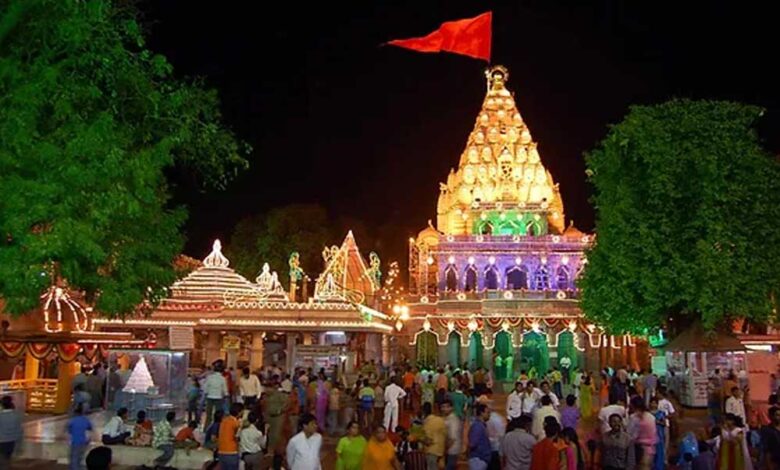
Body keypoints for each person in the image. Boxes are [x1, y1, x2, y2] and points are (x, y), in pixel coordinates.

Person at [627, 396, 657, 470]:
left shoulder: (634, 417)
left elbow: (630, 434)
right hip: (651, 448)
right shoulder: (651, 417)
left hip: (638, 448)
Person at [217, 403, 243, 470]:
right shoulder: (235, 422)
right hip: (231, 452)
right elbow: (238, 436)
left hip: (221, 451)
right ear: (239, 412)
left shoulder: (224, 421)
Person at [66, 403, 92, 470]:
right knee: (80, 457)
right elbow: (89, 431)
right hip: (83, 442)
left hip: (75, 442)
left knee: (74, 458)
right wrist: (88, 440)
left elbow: (69, 432)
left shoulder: (72, 421)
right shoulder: (86, 420)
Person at [422, 402, 446, 470]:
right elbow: (445, 435)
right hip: (441, 450)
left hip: (431, 451)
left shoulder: (428, 423)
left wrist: (418, 438)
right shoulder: (440, 420)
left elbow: (428, 441)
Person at [467, 403, 492, 470]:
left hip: (480, 459)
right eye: (487, 412)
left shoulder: (481, 425)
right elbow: (472, 443)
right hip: (478, 460)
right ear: (481, 413)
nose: (489, 415)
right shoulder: (477, 426)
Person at [204, 365, 228, 430]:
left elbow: (206, 387)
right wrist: (226, 395)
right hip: (218, 397)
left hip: (210, 397)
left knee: (208, 414)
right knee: (218, 415)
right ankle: (217, 428)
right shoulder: (222, 378)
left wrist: (206, 393)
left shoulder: (209, 377)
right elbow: (225, 389)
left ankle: (206, 428)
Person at [441, 400, 462, 470]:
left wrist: (445, 449)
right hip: (449, 450)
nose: (444, 409)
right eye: (442, 407)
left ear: (451, 408)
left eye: (446, 407)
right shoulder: (447, 418)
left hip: (452, 450)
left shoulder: (453, 419)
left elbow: (453, 437)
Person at [649, 397, 667, 470]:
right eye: (652, 403)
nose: (653, 405)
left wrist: (658, 422)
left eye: (655, 403)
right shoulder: (648, 413)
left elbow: (664, 423)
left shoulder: (661, 413)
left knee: (659, 452)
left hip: (659, 435)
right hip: (650, 436)